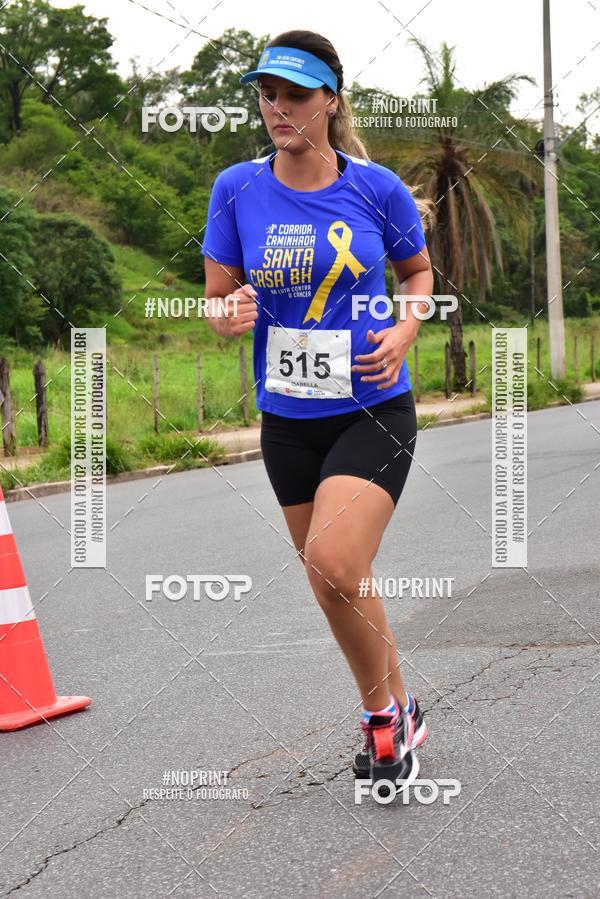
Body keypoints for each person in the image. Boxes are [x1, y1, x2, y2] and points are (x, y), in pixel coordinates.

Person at [201, 30, 434, 791]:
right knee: (337, 576)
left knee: (334, 562)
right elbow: (217, 297)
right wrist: (228, 313)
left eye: (295, 94)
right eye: (267, 94)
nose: (278, 108)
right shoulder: (236, 188)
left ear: (330, 100)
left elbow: (418, 272)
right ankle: (403, 705)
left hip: (373, 407)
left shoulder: (377, 188)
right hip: (288, 419)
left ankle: (381, 719)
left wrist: (407, 327)